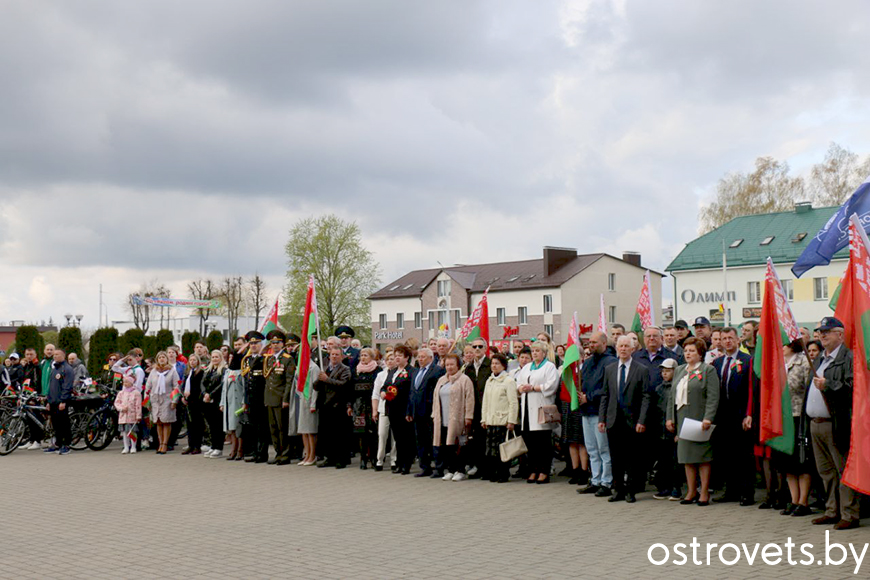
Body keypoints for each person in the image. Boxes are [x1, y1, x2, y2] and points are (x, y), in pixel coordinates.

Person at [803, 317, 858, 530]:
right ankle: (831, 510)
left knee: (842, 469)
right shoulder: (818, 360)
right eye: (820, 332)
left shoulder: (848, 358)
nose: (822, 335)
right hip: (815, 423)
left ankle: (849, 513)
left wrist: (829, 385)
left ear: (840, 335)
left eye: (827, 331)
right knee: (826, 471)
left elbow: (853, 388)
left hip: (836, 423)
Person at [666, 337, 719, 506]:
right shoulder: (680, 370)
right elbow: (672, 396)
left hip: (699, 419)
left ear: (700, 353)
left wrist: (708, 417)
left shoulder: (707, 370)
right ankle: (690, 491)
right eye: (686, 351)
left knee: (702, 457)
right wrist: (670, 417)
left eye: (692, 351)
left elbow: (713, 396)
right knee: (686, 457)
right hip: (682, 419)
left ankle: (704, 492)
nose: (688, 354)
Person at [599, 335, 651, 503]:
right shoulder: (610, 369)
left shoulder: (641, 369)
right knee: (616, 457)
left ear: (632, 349)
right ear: (616, 348)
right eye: (620, 346)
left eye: (626, 346)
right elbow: (605, 395)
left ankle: (631, 490)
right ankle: (618, 489)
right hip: (614, 420)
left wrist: (642, 420)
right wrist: (602, 418)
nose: (623, 349)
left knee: (632, 458)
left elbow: (646, 397)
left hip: (633, 421)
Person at [711, 326, 755, 506]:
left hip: (741, 414)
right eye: (724, 338)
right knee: (726, 454)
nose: (727, 341)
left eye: (730, 338)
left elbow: (752, 389)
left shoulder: (747, 360)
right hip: (723, 415)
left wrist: (749, 414)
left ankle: (747, 493)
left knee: (744, 455)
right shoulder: (718, 363)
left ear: (738, 340)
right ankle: (731, 490)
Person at [776, 338, 813, 517]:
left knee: (801, 461)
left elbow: (808, 388)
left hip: (799, 415)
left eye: (783, 344)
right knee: (787, 462)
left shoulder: (804, 361)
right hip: (784, 417)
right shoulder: (779, 363)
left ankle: (804, 501)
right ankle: (794, 499)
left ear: (792, 345)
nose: (780, 348)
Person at [577, 332, 616, 496]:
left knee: (603, 449)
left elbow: (609, 388)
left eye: (594, 342)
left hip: (601, 411)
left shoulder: (610, 362)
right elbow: (584, 383)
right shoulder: (588, 363)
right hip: (586, 411)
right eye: (589, 342)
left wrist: (590, 397)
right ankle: (595, 480)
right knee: (591, 448)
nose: (591, 345)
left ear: (603, 343)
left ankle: (607, 482)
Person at [515, 341, 559, 484]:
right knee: (530, 441)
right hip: (527, 408)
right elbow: (518, 383)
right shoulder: (527, 367)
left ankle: (544, 471)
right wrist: (521, 388)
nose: (534, 353)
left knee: (543, 442)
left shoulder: (549, 367)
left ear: (544, 353)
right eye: (533, 351)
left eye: (538, 351)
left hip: (541, 408)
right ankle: (533, 469)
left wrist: (533, 387)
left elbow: (551, 385)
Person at [432, 353, 475, 481]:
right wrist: (434, 415)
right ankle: (450, 469)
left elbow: (470, 399)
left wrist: (468, 416)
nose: (449, 367)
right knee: (446, 446)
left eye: (452, 365)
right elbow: (436, 399)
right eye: (447, 365)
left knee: (459, 445)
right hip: (442, 418)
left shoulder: (464, 380)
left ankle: (460, 470)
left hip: (458, 418)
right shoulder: (442, 380)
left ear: (458, 366)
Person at [405, 347, 445, 477]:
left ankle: (438, 467)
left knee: (433, 440)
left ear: (430, 358)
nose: (420, 359)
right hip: (417, 412)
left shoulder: (437, 371)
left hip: (429, 411)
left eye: (423, 357)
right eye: (419, 357)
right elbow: (412, 392)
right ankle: (424, 467)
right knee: (420, 440)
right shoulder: (416, 372)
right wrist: (409, 411)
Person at [480, 353, 518, 483]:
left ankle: (503, 473)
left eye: (497, 363)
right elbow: (485, 401)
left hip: (503, 420)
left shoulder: (509, 381)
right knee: (491, 449)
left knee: (502, 449)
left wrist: (512, 420)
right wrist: (483, 419)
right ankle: (494, 472)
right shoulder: (489, 381)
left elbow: (513, 402)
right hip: (491, 420)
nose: (494, 366)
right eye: (493, 363)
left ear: (503, 366)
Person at [380, 344, 416, 474]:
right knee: (397, 438)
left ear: (407, 357)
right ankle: (399, 463)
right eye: (395, 356)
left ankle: (407, 464)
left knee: (406, 437)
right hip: (391, 408)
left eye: (400, 356)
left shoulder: (411, 372)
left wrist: (409, 411)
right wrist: (383, 392)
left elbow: (411, 393)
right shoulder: (392, 371)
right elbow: (385, 386)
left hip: (403, 409)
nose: (397, 358)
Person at [315, 346, 352, 469]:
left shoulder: (345, 369)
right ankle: (329, 457)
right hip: (325, 405)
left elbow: (343, 384)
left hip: (338, 405)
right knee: (327, 434)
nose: (334, 357)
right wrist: (320, 379)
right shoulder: (325, 368)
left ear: (341, 356)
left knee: (339, 434)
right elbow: (317, 386)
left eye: (337, 354)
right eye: (332, 354)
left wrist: (327, 379)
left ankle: (342, 459)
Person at [263, 331, 295, 465]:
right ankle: (277, 453)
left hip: (281, 398)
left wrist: (286, 399)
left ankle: (285, 454)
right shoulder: (269, 359)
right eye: (273, 343)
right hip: (270, 397)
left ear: (282, 344)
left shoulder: (287, 359)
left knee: (283, 428)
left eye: (278, 343)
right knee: (273, 428)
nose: (275, 345)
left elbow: (289, 381)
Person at [652, 359, 682, 500]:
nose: (665, 374)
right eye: (663, 371)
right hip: (661, 430)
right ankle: (665, 487)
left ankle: (677, 487)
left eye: (668, 371)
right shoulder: (659, 389)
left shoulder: (679, 387)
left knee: (675, 461)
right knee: (663, 461)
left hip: (674, 430)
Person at [464, 337, 491, 478]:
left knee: (487, 439)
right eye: (474, 347)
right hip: (473, 409)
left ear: (485, 348)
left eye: (480, 346)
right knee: (475, 439)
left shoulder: (490, 364)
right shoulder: (468, 367)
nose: (477, 349)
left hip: (487, 408)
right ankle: (479, 467)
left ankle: (488, 468)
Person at [241, 331, 269, 463]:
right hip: (251, 398)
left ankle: (262, 454)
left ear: (261, 344)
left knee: (262, 428)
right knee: (252, 427)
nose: (253, 346)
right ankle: (254, 452)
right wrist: (245, 400)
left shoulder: (265, 359)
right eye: (251, 343)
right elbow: (246, 381)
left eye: (256, 343)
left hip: (262, 398)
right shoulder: (247, 360)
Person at [145, 351, 179, 455]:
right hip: (155, 399)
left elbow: (176, 386)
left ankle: (165, 444)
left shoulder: (172, 371)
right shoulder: (154, 371)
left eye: (163, 357)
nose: (161, 359)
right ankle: (160, 443)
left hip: (167, 399)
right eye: (159, 357)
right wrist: (147, 401)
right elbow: (148, 386)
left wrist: (174, 400)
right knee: (158, 422)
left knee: (166, 421)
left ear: (166, 359)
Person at [350, 348, 380, 469]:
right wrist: (349, 405)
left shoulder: (377, 370)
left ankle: (373, 457)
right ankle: (363, 458)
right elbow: (350, 389)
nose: (363, 357)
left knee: (373, 433)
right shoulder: (356, 371)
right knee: (361, 433)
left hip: (372, 405)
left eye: (366, 355)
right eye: (361, 355)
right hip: (359, 406)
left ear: (372, 357)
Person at [43, 348, 74, 455]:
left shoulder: (67, 369)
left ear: (63, 356)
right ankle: (58, 443)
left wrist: (63, 401)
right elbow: (51, 386)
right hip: (53, 401)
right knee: (55, 424)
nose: (55, 356)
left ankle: (67, 444)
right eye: (54, 355)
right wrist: (48, 401)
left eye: (57, 354)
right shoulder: (55, 369)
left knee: (63, 423)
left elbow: (67, 386)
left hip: (61, 401)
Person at [292, 352, 320, 466]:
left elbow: (315, 388)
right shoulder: (300, 367)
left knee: (311, 430)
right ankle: (307, 454)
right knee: (303, 430)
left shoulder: (313, 368)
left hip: (310, 401)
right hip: (302, 399)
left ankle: (312, 455)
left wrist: (313, 403)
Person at [221, 341, 246, 461]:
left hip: (238, 402)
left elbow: (245, 388)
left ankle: (240, 450)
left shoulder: (241, 372)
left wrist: (244, 402)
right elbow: (224, 389)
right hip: (228, 402)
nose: (230, 359)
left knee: (238, 427)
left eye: (233, 357)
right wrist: (221, 403)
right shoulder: (227, 371)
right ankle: (233, 449)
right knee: (231, 427)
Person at [372, 352, 397, 471]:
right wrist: (374, 410)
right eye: (388, 359)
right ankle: (379, 460)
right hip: (383, 408)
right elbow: (375, 394)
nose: (390, 361)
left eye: (392, 359)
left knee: (394, 437)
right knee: (382, 434)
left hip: (396, 408)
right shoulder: (381, 375)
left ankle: (394, 459)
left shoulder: (399, 374)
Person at [202, 350, 228, 458]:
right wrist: (205, 393)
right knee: (211, 425)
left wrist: (211, 395)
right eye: (213, 357)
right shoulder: (208, 369)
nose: (214, 359)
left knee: (218, 425)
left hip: (217, 400)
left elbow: (222, 384)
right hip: (207, 400)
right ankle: (213, 446)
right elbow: (202, 383)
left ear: (221, 358)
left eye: (217, 357)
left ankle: (219, 447)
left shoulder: (224, 370)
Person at [181, 354, 204, 455]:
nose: (192, 362)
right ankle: (190, 444)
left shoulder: (200, 372)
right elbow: (184, 385)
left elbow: (198, 387)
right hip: (188, 401)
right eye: (191, 360)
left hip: (196, 401)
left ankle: (197, 446)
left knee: (197, 424)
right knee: (189, 424)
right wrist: (183, 397)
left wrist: (191, 395)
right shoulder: (188, 373)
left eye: (194, 360)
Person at [114, 375, 142, 454]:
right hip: (123, 415)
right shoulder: (121, 393)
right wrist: (121, 408)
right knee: (124, 432)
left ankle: (133, 446)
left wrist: (138, 415)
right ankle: (126, 446)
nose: (125, 384)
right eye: (124, 382)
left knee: (132, 431)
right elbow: (117, 402)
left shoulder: (136, 393)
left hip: (132, 415)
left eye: (127, 382)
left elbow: (138, 405)